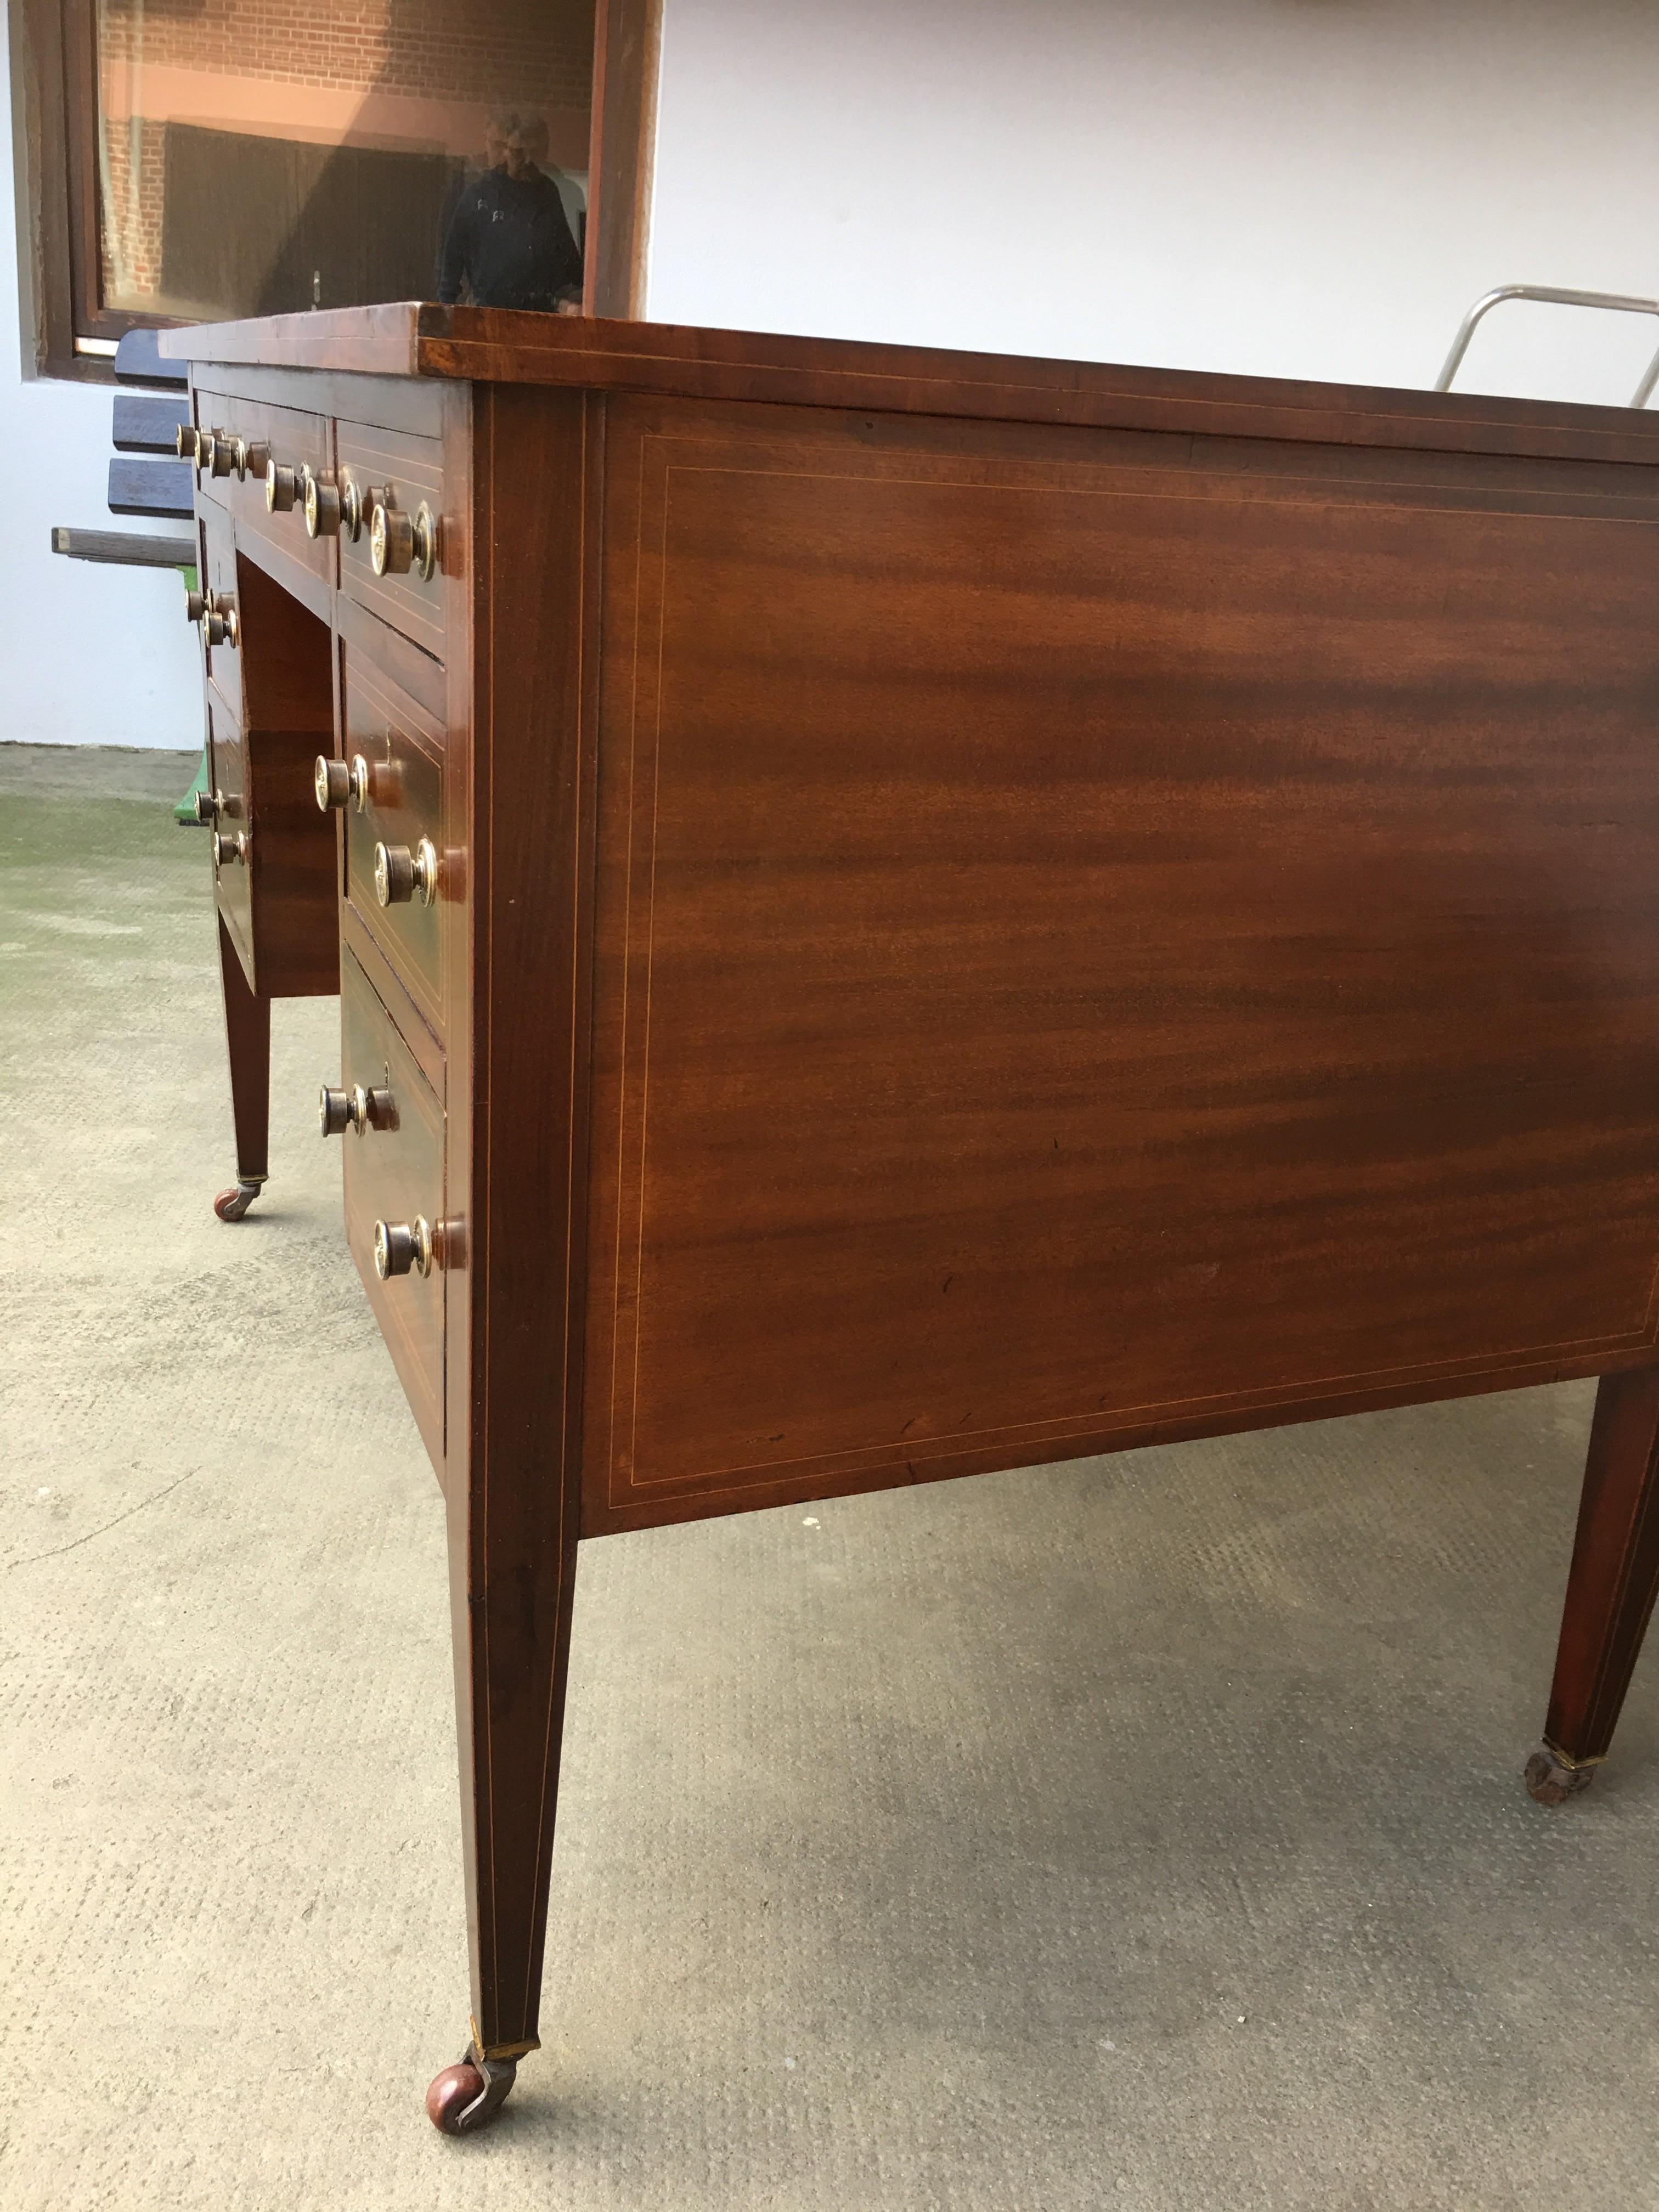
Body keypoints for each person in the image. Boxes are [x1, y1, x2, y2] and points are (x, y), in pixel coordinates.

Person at [436, 113, 583, 313]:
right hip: (488, 312)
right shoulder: (479, 195)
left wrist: (579, 296)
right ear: (504, 151)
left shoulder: (547, 192)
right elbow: (452, 257)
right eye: (519, 153)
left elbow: (566, 253)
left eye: (534, 152)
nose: (528, 160)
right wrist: (447, 310)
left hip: (540, 315)